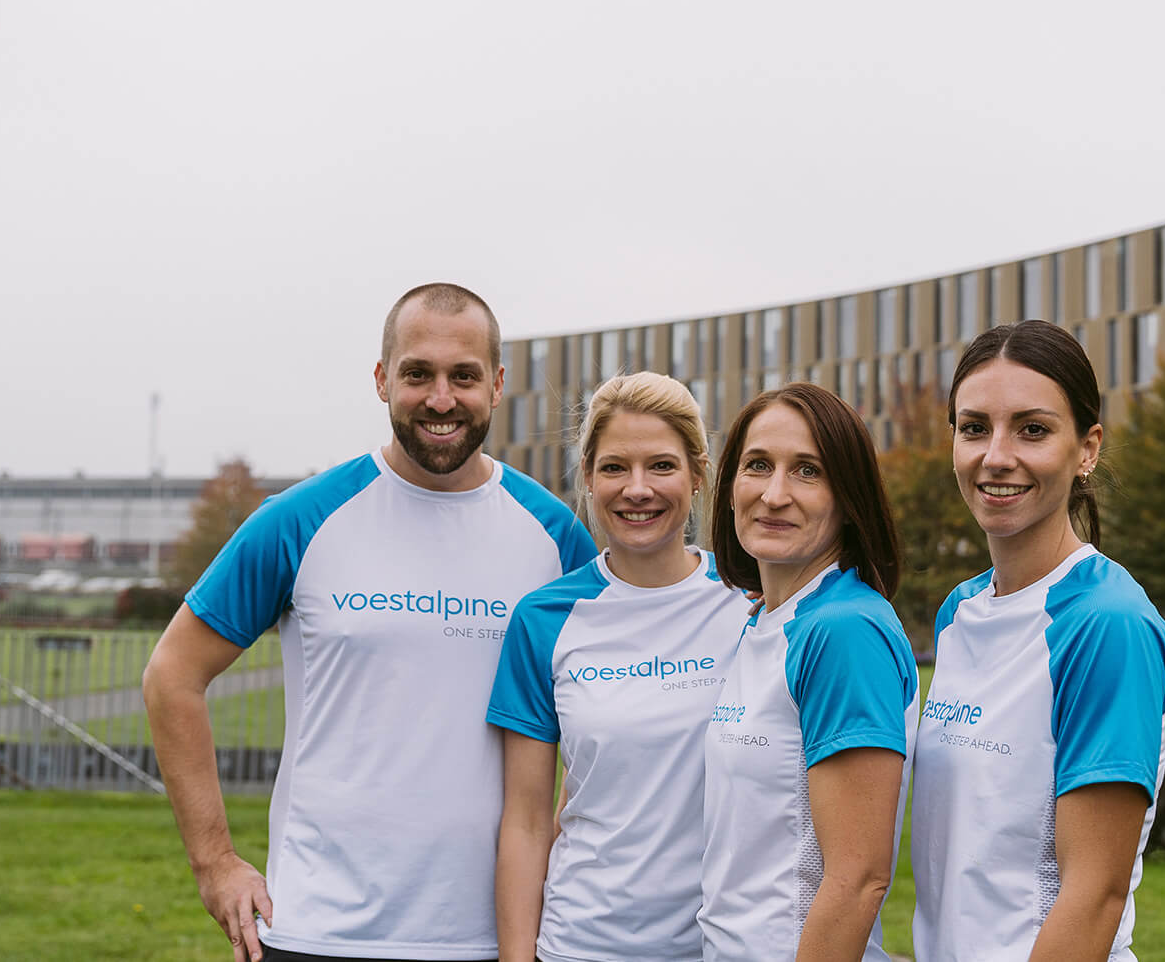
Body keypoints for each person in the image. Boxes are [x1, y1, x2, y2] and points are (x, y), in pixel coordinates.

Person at [142, 283, 597, 962]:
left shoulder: (555, 535)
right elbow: (171, 676)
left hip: (493, 937)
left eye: (463, 376)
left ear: (497, 384)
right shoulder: (300, 519)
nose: (441, 398)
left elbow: (615, 698)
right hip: (317, 929)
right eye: (418, 373)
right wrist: (215, 863)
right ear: (383, 379)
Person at [910, 320, 1165, 961]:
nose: (996, 455)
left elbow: (1095, 894)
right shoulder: (961, 610)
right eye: (974, 427)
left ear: (1086, 449)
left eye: (1032, 429)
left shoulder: (1106, 624)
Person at [487, 371, 752, 962]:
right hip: (581, 944)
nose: (637, 489)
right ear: (587, 478)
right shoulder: (545, 618)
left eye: (661, 465)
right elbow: (527, 821)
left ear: (699, 475)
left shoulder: (752, 603)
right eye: (613, 468)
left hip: (722, 947)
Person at [698, 382, 919, 962]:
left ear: (848, 499)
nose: (774, 494)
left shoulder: (843, 630)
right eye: (758, 466)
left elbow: (858, 876)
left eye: (807, 471)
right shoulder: (766, 622)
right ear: (728, 488)